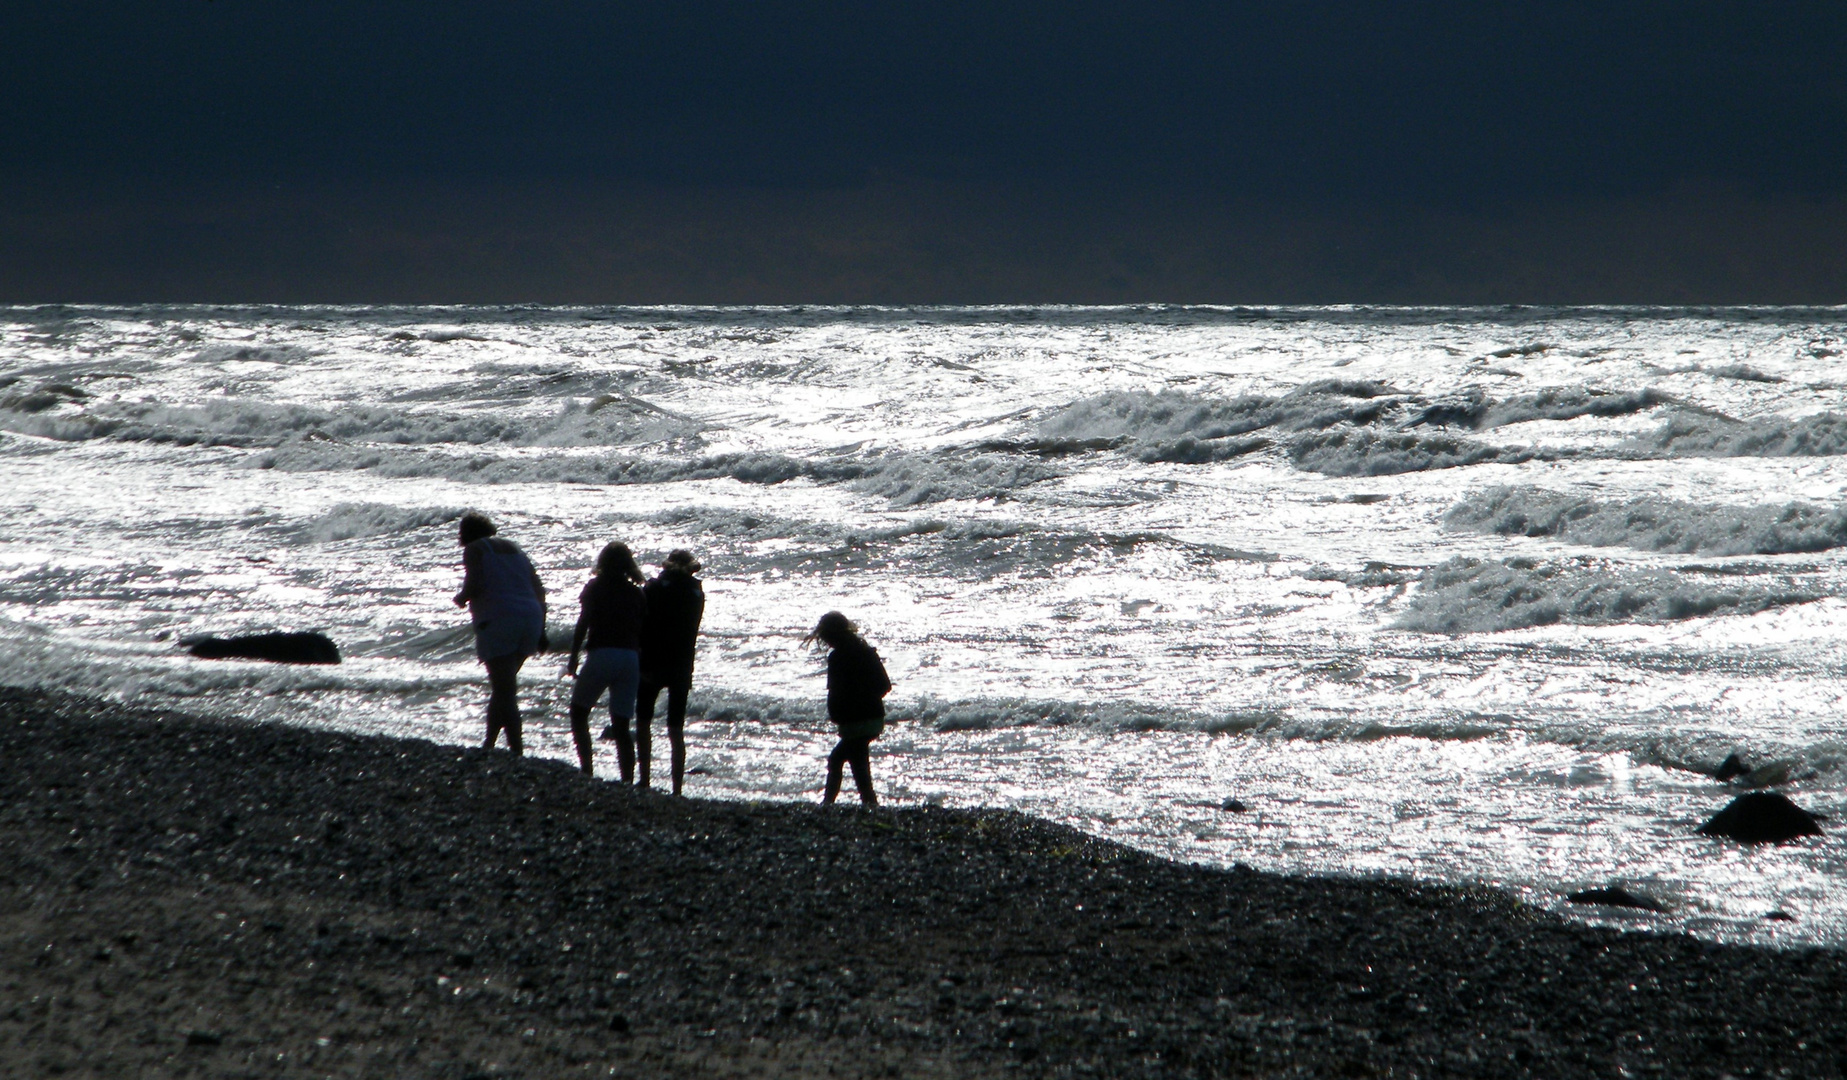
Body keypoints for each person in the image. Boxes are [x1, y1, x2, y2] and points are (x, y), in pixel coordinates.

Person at [452, 512, 546, 756]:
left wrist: (462, 598)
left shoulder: (474, 549)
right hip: (530, 617)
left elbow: (476, 582)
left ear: (466, 533)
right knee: (502, 686)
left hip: (499, 618)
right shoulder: (514, 548)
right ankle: (490, 743)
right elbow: (539, 589)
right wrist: (543, 629)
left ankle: (517, 750)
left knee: (505, 690)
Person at [567, 541, 647, 780]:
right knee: (621, 726)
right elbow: (643, 629)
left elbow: (584, 623)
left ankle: (587, 770)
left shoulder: (595, 587)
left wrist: (573, 656)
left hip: (602, 653)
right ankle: (627, 779)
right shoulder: (636, 592)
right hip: (630, 657)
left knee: (579, 713)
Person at [635, 549, 706, 794]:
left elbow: (641, 622)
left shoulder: (653, 588)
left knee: (643, 719)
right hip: (682, 662)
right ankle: (677, 787)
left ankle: (644, 778)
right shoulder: (696, 592)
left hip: (652, 659)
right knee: (675, 728)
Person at [806, 611, 892, 807]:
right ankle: (867, 803)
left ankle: (829, 804)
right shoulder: (867, 651)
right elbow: (884, 686)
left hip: (856, 721)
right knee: (856, 762)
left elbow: (835, 692)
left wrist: (841, 711)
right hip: (873, 717)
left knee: (840, 760)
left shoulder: (837, 657)